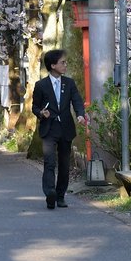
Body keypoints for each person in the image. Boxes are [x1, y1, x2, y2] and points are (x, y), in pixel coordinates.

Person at [31, 49, 86, 210]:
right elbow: (35, 106)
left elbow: (77, 101)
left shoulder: (69, 83)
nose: (65, 64)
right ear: (53, 65)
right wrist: (41, 113)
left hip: (66, 128)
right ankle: (50, 193)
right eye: (62, 62)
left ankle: (60, 195)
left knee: (64, 164)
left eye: (65, 62)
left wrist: (80, 115)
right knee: (49, 162)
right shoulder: (41, 85)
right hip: (49, 128)